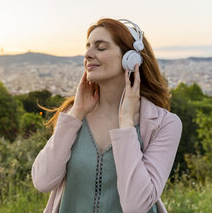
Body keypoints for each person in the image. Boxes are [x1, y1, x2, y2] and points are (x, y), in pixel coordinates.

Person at [31, 18, 182, 213]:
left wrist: (126, 124)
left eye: (100, 48)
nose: (87, 54)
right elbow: (42, 181)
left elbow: (136, 206)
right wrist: (76, 112)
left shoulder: (164, 124)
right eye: (88, 47)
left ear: (131, 59)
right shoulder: (72, 116)